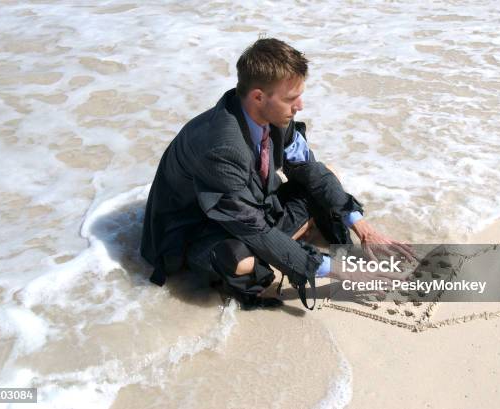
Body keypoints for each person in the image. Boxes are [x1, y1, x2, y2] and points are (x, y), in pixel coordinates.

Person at [140, 38, 413, 310]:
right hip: (194, 230)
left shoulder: (274, 115)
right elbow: (251, 226)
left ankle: (287, 244)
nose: (300, 106)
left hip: (247, 206)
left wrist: (363, 228)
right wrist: (343, 272)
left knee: (327, 175)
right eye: (292, 99)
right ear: (258, 96)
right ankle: (281, 250)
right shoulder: (221, 148)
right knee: (241, 261)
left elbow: (308, 168)